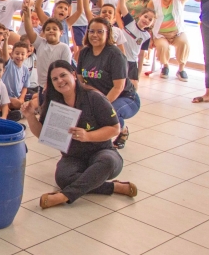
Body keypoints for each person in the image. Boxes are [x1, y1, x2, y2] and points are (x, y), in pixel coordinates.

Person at [22, 60, 138, 209]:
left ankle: (64, 196)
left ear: (74, 75)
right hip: (73, 156)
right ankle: (113, 187)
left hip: (101, 151)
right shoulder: (53, 102)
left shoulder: (93, 97)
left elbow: (115, 128)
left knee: (108, 162)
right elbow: (43, 134)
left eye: (63, 75)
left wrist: (88, 136)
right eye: (55, 79)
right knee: (62, 178)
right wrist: (31, 116)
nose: (60, 81)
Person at [76, 17, 140, 149]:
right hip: (98, 97)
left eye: (100, 31)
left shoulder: (115, 55)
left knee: (109, 112)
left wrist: (99, 105)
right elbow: (80, 80)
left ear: (108, 33)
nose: (95, 35)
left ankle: (121, 132)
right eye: (92, 31)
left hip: (126, 97)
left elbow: (118, 87)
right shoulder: (84, 52)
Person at [150, 0, 192, 81]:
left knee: (184, 43)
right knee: (163, 47)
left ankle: (181, 69)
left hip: (177, 32)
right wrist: (150, 38)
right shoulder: (153, 1)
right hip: (160, 34)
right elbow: (149, 21)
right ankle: (165, 66)